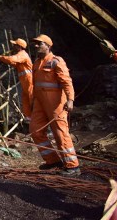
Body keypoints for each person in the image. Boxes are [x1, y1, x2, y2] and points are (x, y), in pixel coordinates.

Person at [29, 34, 80, 176]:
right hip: (40, 103)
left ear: (48, 45)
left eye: (39, 44)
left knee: (60, 133)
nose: (36, 46)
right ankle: (52, 160)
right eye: (35, 44)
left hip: (56, 103)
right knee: (35, 130)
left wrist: (70, 99)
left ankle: (72, 166)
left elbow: (67, 82)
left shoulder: (56, 61)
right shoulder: (36, 63)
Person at [0, 38, 33, 123]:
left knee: (31, 98)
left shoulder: (22, 54)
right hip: (25, 80)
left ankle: (36, 117)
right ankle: (28, 117)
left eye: (15, 45)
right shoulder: (21, 55)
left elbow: (12, 59)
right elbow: (13, 63)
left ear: (19, 47)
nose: (13, 46)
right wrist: (1, 59)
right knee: (25, 99)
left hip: (29, 79)